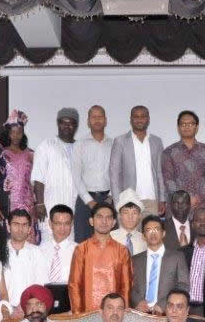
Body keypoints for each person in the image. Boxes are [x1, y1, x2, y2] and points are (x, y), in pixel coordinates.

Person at [69, 203, 133, 313]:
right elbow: (74, 285)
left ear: (113, 223)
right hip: (87, 314)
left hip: (114, 314)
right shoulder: (81, 249)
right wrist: (77, 316)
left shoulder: (122, 251)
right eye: (99, 217)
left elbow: (126, 287)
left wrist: (124, 314)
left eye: (108, 218)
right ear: (91, 221)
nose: (104, 221)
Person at [0, 110, 38, 243]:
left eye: (19, 132)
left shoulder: (31, 154)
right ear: (7, 133)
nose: (16, 136)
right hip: (7, 203)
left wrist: (36, 204)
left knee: (28, 240)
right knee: (8, 240)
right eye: (13, 132)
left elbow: (34, 181)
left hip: (27, 203)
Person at [109, 104, 166, 216]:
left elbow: (160, 172)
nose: (139, 119)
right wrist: (118, 203)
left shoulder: (157, 141)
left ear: (148, 119)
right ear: (131, 119)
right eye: (136, 116)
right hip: (128, 202)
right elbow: (114, 174)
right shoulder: (120, 141)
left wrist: (162, 199)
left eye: (143, 116)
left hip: (152, 201)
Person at [161, 110, 205, 214]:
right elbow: (168, 180)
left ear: (197, 127)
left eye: (190, 124)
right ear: (178, 127)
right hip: (178, 206)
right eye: (183, 124)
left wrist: (198, 196)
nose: (186, 127)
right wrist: (185, 198)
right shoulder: (169, 152)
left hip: (203, 206)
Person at [130, 215, 189, 314]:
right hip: (141, 312)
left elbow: (183, 285)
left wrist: (163, 305)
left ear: (163, 233)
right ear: (143, 236)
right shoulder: (135, 260)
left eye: (157, 229)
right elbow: (130, 286)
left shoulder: (177, 257)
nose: (153, 233)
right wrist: (138, 302)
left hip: (167, 312)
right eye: (148, 230)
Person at [32, 107, 79, 230]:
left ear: (76, 126)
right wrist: (40, 203)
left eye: (71, 123)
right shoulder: (46, 145)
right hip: (50, 205)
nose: (67, 126)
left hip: (74, 206)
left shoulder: (81, 148)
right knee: (49, 237)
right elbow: (38, 177)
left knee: (72, 239)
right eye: (63, 122)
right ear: (58, 124)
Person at [73, 105, 114, 242]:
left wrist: (110, 197)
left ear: (105, 120)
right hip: (85, 201)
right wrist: (89, 201)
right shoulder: (80, 144)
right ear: (88, 121)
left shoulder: (113, 144)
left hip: (108, 200)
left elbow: (117, 174)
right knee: (82, 243)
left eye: (100, 116)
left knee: (108, 243)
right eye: (93, 117)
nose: (97, 120)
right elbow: (76, 176)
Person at [3, 209, 48, 318]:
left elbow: (41, 284)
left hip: (30, 311)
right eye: (16, 224)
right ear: (8, 227)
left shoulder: (37, 252)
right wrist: (7, 309)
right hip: (2, 312)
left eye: (24, 225)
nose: (20, 229)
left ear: (29, 229)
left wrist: (23, 306)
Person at [39, 205, 76, 287]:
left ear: (72, 224)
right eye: (58, 223)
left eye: (67, 223)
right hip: (43, 293)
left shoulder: (78, 251)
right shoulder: (40, 250)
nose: (62, 228)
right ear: (50, 224)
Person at [110, 188, 147, 256]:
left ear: (140, 216)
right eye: (126, 212)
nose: (130, 217)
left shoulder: (145, 240)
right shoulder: (109, 238)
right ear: (119, 215)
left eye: (134, 212)